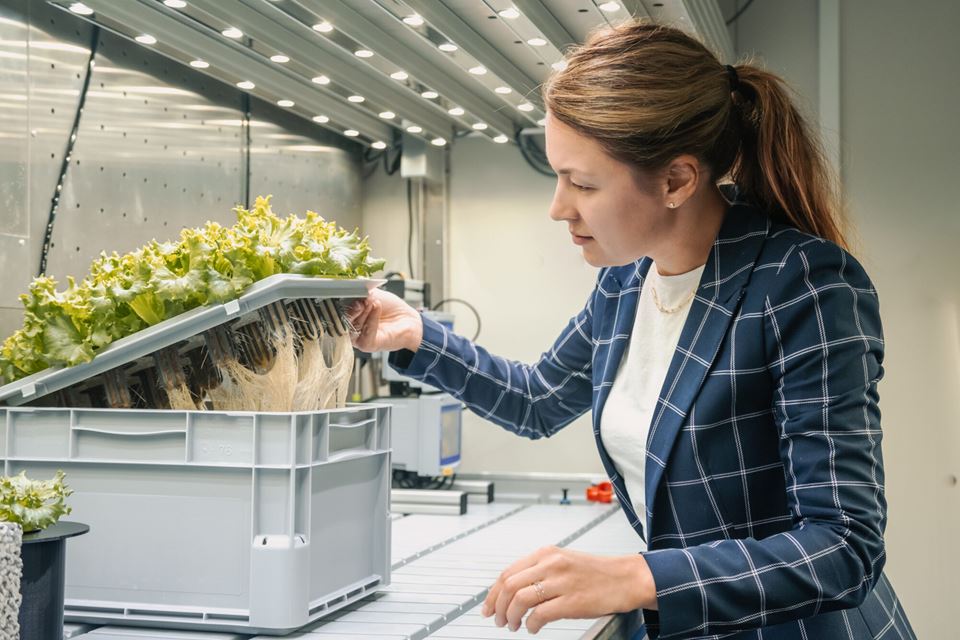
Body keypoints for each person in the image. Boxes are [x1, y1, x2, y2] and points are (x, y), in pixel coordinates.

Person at [348, 20, 916, 640]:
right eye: (558, 176)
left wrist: (638, 578)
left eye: (583, 183)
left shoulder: (803, 284)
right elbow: (537, 401)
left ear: (676, 180)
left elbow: (843, 547)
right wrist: (416, 336)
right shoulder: (625, 284)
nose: (559, 207)